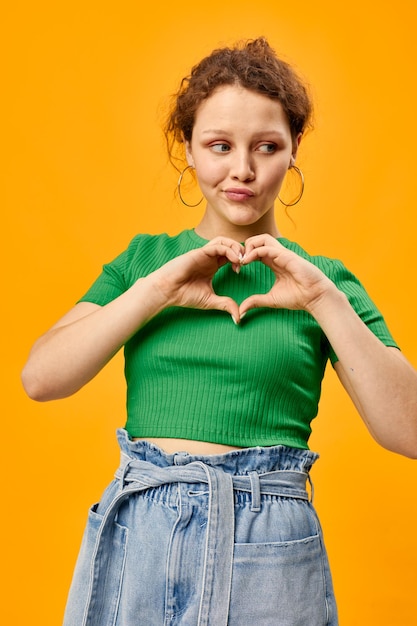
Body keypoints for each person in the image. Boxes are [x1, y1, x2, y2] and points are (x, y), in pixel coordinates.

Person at [21, 37, 417, 626]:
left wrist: (322, 300)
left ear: (293, 150)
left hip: (269, 541)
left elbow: (408, 430)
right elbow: (40, 378)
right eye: (219, 146)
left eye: (267, 147)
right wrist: (157, 290)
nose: (243, 170)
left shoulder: (325, 282)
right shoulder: (145, 262)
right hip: (142, 531)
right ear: (188, 148)